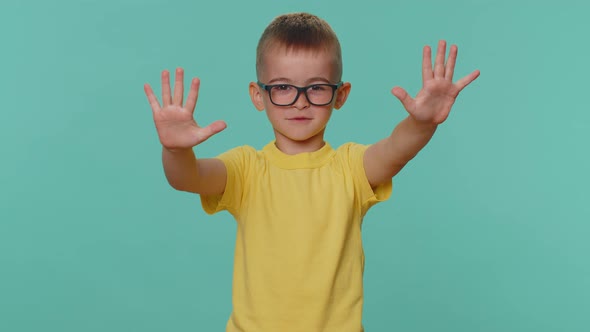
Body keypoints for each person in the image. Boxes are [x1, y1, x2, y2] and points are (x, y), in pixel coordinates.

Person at [144, 12, 479, 332]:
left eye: (316, 88)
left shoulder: (351, 167)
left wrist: (421, 123)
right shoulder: (246, 169)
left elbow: (396, 149)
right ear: (258, 96)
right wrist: (176, 149)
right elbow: (186, 178)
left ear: (340, 95)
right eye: (282, 87)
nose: (300, 102)